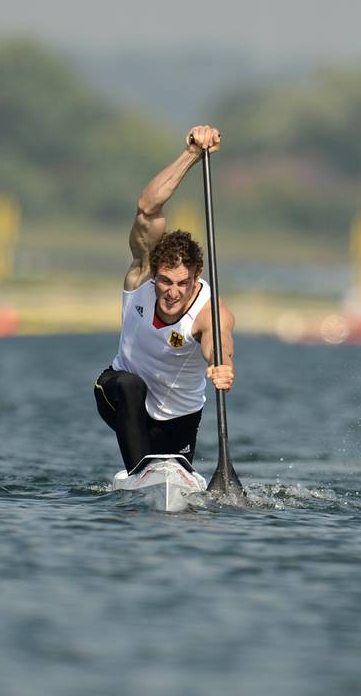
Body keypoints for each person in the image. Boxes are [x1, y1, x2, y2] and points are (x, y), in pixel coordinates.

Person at [94, 125, 235, 474]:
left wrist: (222, 366)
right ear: (154, 273)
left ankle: (154, 471)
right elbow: (147, 207)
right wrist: (191, 153)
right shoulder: (142, 274)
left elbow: (218, 343)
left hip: (177, 419)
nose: (172, 292)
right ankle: (140, 473)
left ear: (197, 275)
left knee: (179, 498)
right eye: (165, 281)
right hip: (119, 395)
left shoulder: (209, 311)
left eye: (182, 283)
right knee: (129, 385)